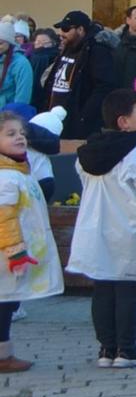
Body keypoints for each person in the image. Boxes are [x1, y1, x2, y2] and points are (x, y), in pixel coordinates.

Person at [68, 87, 136, 368]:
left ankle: (107, 348)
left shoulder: (90, 151)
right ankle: (126, 349)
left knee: (103, 288)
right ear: (123, 121)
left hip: (95, 228)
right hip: (130, 230)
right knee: (129, 290)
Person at [0, 110, 60, 371]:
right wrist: (15, 251)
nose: (20, 138)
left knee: (9, 302)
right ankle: (2, 355)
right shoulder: (5, 177)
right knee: (4, 302)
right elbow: (4, 217)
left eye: (22, 134)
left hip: (14, 253)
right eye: (10, 134)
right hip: (7, 254)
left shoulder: (19, 171)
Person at [41, 11, 119, 138]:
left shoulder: (97, 51)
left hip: (76, 122)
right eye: (61, 29)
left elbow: (104, 86)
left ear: (80, 29)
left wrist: (83, 116)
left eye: (66, 29)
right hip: (55, 118)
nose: (61, 34)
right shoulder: (68, 47)